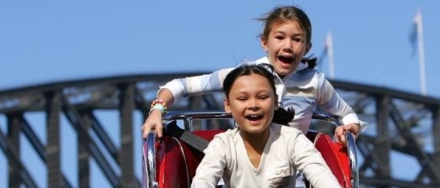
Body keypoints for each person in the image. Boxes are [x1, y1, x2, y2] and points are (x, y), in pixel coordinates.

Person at [141, 5, 365, 146]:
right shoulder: (244, 76)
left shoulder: (315, 82)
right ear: (264, 42)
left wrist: (349, 129)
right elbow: (180, 86)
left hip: (293, 182)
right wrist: (157, 111)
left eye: (297, 40)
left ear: (307, 48)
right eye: (280, 37)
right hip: (242, 178)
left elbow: (348, 115)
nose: (288, 46)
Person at [190, 63, 348, 188]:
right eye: (243, 98)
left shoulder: (292, 138)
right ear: (228, 105)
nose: (253, 105)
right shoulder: (223, 143)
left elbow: (318, 172)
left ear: (275, 101)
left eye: (262, 97)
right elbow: (204, 177)